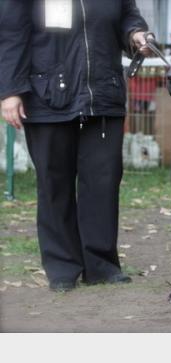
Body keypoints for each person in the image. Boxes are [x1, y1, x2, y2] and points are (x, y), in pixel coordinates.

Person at [0, 0, 152, 292]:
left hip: (103, 94)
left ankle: (102, 265)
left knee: (103, 183)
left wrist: (136, 34)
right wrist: (10, 91)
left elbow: (127, 16)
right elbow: (11, 33)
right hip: (47, 94)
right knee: (54, 184)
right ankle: (62, 268)